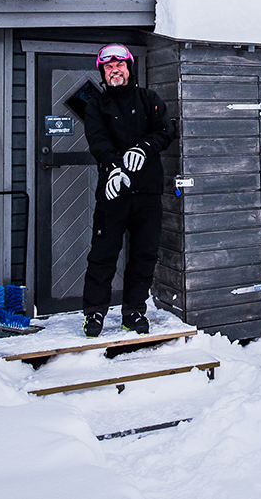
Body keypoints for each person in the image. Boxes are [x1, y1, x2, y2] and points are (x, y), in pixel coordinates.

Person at [81, 43, 174, 338]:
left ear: (129, 68)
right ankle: (94, 312)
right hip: (113, 193)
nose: (114, 70)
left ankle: (133, 310)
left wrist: (144, 148)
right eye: (108, 67)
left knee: (144, 254)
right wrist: (114, 167)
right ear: (103, 73)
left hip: (147, 193)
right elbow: (97, 141)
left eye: (119, 65)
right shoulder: (95, 105)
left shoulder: (149, 99)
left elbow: (165, 132)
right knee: (103, 253)